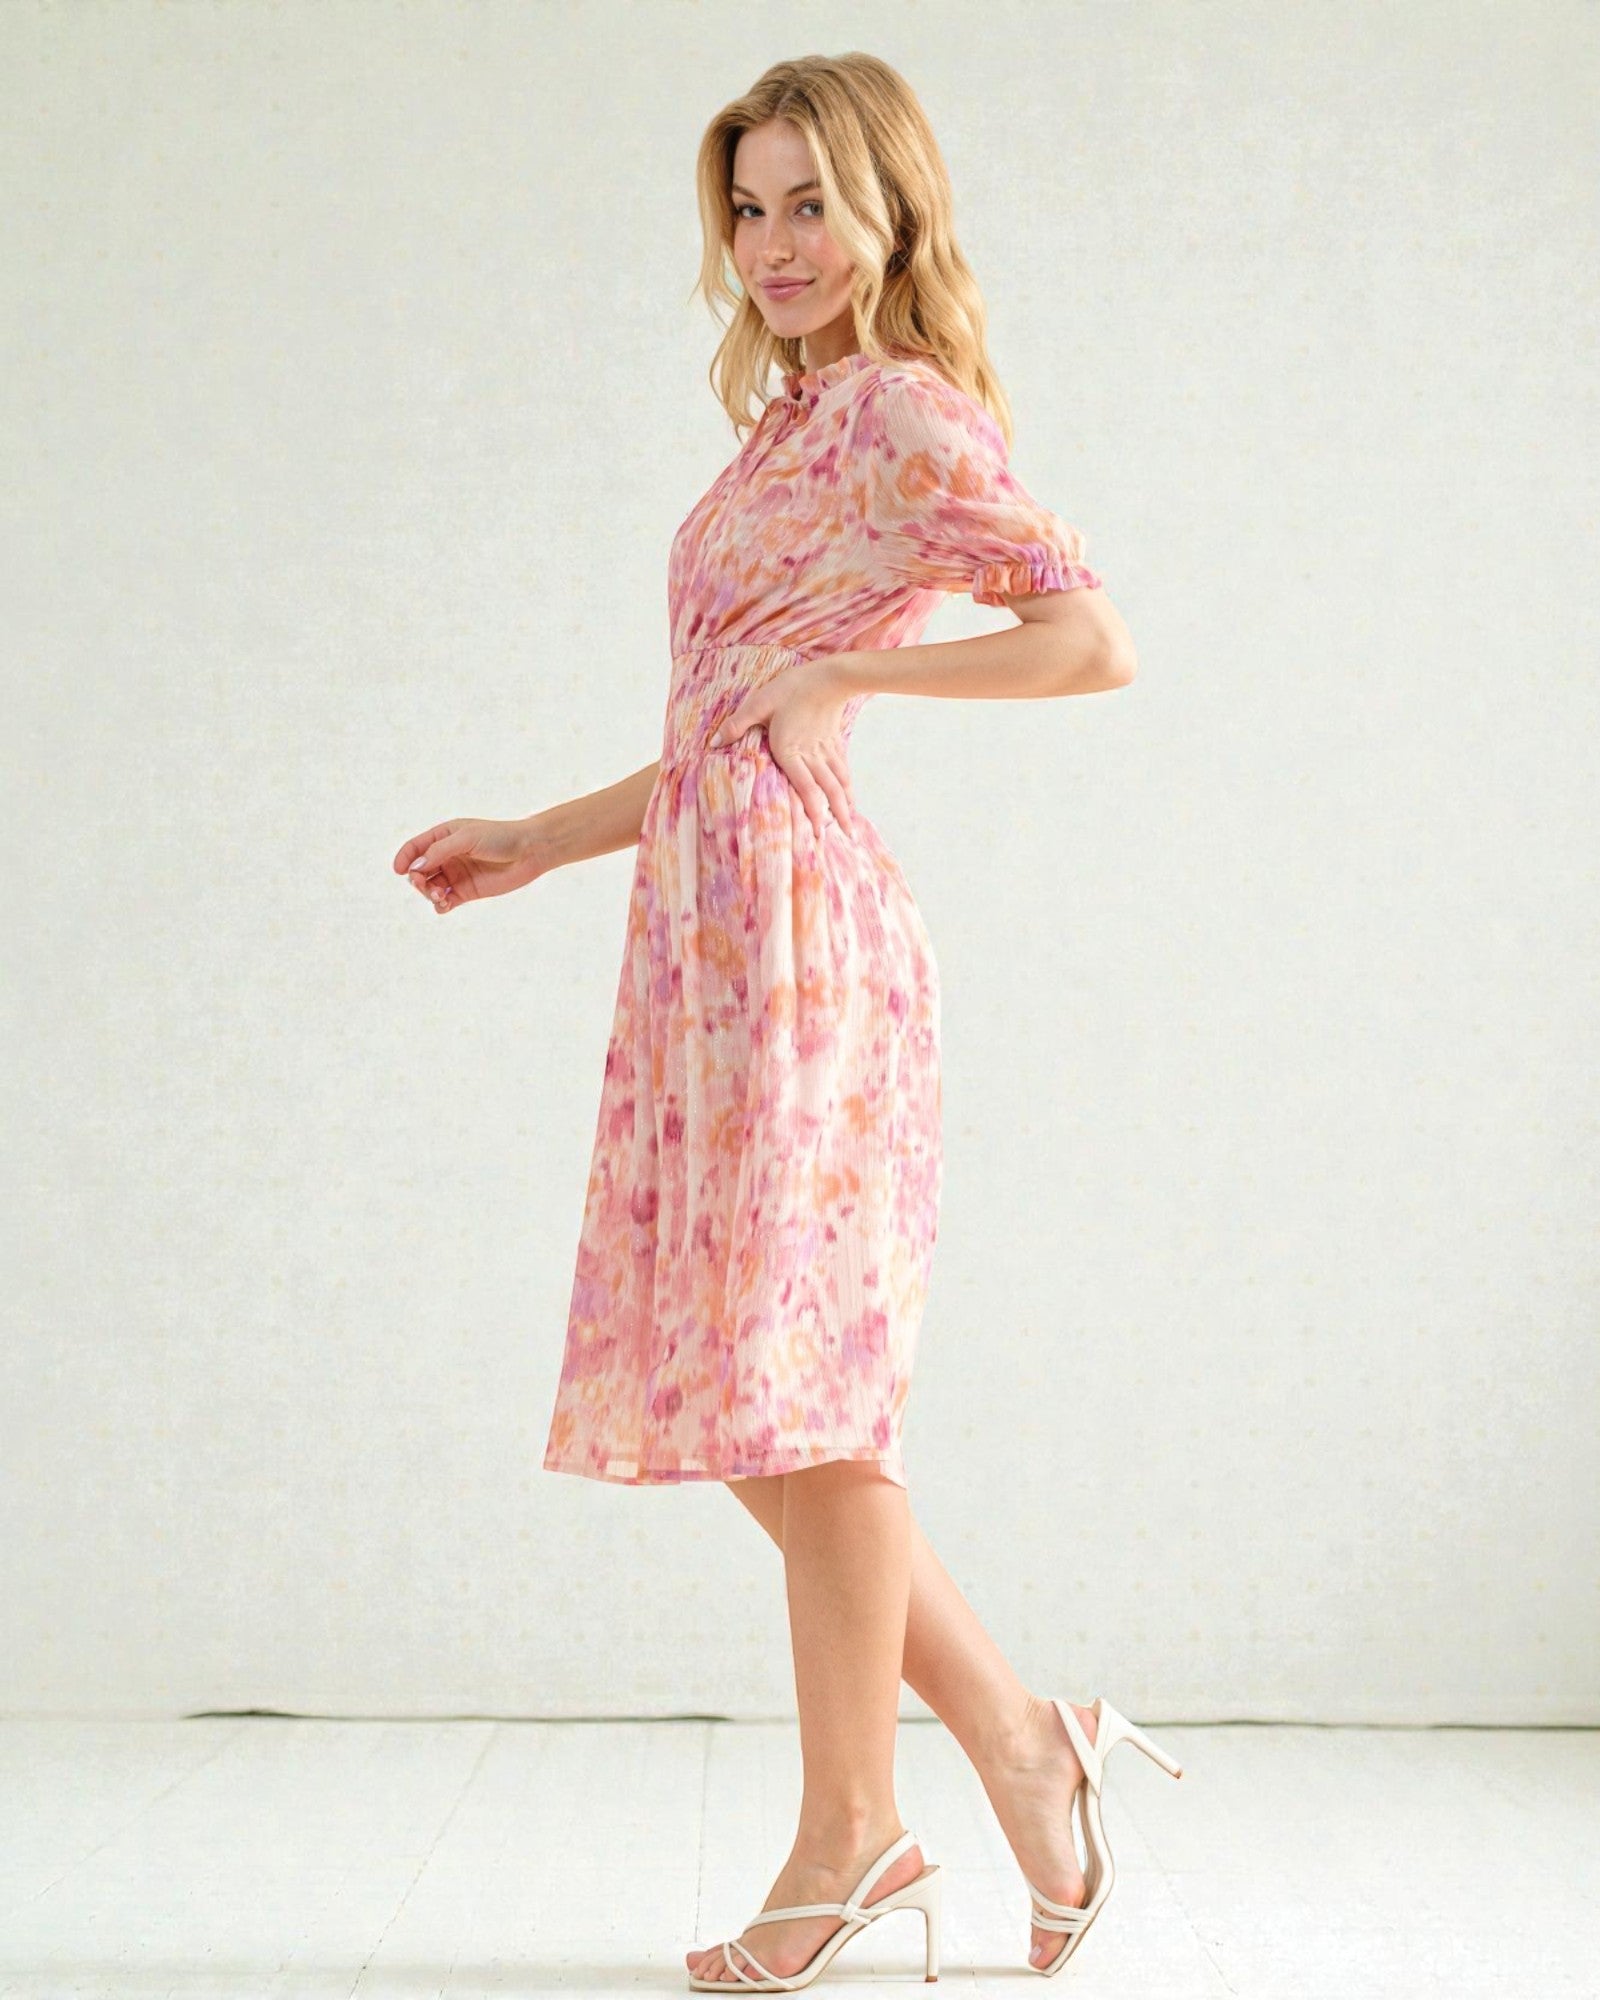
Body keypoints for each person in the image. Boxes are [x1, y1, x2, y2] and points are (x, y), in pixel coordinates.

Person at [394, 51, 1181, 1992]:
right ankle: (1017, 1742)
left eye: (807, 204)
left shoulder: (903, 412)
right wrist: (539, 836)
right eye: (744, 208)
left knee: (805, 1402)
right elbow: (712, 728)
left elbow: (1090, 639)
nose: (771, 246)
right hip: (703, 934)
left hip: (806, 948)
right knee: (760, 1411)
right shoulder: (786, 425)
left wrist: (847, 662)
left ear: (890, 208)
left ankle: (853, 1836)